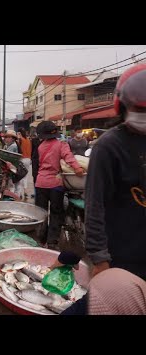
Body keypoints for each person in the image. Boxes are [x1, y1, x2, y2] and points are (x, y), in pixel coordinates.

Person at [85, 63, 146, 280]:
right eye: (140, 109)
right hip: (121, 257)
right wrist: (100, 259)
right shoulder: (109, 145)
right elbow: (94, 205)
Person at [35, 121, 84, 250]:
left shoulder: (41, 146)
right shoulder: (61, 144)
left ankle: (40, 240)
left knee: (41, 212)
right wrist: (77, 168)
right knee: (56, 212)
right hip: (55, 183)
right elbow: (69, 157)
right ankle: (52, 241)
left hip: (40, 182)